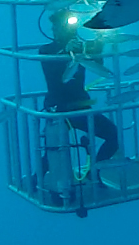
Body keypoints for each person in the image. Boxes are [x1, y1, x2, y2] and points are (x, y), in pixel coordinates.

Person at [39, 11, 119, 164]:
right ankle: (38, 176)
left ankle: (93, 172)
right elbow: (53, 72)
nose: (59, 30)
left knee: (114, 135)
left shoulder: (81, 48)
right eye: (57, 27)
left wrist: (98, 47)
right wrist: (65, 51)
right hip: (58, 108)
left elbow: (98, 66)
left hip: (81, 107)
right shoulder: (46, 50)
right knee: (52, 152)